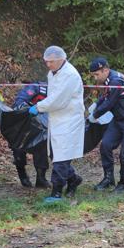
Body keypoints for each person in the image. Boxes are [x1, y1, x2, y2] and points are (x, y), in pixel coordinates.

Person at [29, 46, 85, 202]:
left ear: (61, 60)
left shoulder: (70, 75)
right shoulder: (52, 73)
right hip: (56, 118)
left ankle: (57, 191)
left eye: (51, 62)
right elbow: (52, 96)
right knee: (55, 153)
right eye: (46, 62)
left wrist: (39, 107)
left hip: (69, 119)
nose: (48, 65)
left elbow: (58, 100)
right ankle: (73, 179)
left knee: (61, 156)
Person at [88, 57, 124, 193]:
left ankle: (123, 184)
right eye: (93, 75)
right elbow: (107, 95)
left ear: (105, 70)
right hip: (119, 118)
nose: (95, 78)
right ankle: (108, 179)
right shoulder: (109, 79)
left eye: (97, 74)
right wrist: (97, 103)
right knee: (106, 145)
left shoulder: (116, 81)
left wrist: (94, 115)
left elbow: (109, 103)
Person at [11, 82, 50, 188]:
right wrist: (28, 108)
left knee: (41, 145)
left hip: (42, 127)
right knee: (18, 147)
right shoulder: (37, 87)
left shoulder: (60, 91)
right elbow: (19, 101)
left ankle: (41, 178)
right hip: (24, 123)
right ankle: (22, 174)